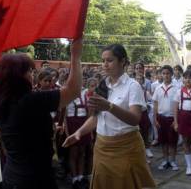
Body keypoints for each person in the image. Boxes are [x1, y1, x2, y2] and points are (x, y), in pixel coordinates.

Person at [0, 39, 83, 189]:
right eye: (29, 71)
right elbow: (73, 91)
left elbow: (25, 130)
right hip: (34, 179)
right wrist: (76, 55)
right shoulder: (30, 100)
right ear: (18, 75)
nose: (32, 75)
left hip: (13, 176)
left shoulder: (1, 102)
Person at [63, 44, 155, 189]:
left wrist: (110, 107)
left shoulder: (132, 86)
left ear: (122, 61)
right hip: (102, 148)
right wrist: (79, 132)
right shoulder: (102, 85)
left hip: (126, 147)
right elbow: (96, 118)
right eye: (103, 60)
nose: (105, 64)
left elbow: (134, 119)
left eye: (110, 60)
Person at [65, 78, 94, 189]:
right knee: (73, 152)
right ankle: (74, 177)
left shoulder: (85, 93)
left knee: (82, 151)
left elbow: (89, 113)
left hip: (83, 123)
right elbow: (64, 116)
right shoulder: (67, 93)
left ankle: (81, 176)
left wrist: (89, 130)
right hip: (72, 123)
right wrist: (67, 133)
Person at [153, 65, 180, 171]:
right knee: (163, 141)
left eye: (168, 73)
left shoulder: (176, 88)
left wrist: (176, 120)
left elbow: (178, 105)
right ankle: (165, 160)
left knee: (172, 141)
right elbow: (155, 104)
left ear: (171, 74)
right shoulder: (158, 88)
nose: (165, 75)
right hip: (161, 118)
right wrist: (155, 119)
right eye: (163, 73)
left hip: (172, 119)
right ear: (161, 75)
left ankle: (173, 161)